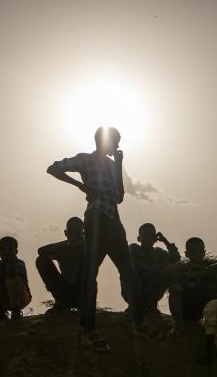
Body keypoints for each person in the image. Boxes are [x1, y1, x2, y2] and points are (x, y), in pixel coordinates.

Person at [47, 126, 158, 351]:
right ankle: (87, 330)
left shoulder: (111, 165)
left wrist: (118, 164)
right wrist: (81, 185)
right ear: (103, 140)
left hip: (113, 220)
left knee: (129, 271)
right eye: (115, 142)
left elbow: (119, 197)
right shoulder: (85, 159)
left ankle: (138, 323)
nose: (117, 146)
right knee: (90, 274)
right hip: (96, 217)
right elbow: (53, 168)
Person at [167, 237, 217, 336]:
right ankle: (178, 326)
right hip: (184, 310)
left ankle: (214, 325)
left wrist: (199, 272)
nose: (197, 255)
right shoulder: (182, 267)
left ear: (204, 253)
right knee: (175, 288)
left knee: (214, 287)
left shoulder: (209, 266)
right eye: (193, 252)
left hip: (202, 309)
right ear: (187, 254)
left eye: (200, 252)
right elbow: (166, 272)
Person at [129, 223, 180, 314]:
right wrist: (159, 269)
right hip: (134, 289)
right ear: (139, 239)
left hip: (153, 289)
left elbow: (176, 259)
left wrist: (165, 241)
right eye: (145, 235)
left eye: (151, 235)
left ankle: (152, 305)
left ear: (155, 238)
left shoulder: (159, 253)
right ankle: (134, 305)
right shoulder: (133, 249)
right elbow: (139, 267)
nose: (148, 237)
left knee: (174, 268)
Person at [36, 217, 84, 313]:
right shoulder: (63, 249)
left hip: (82, 291)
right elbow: (41, 251)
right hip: (64, 291)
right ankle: (61, 302)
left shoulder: (89, 247)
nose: (74, 235)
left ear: (83, 233)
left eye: (77, 232)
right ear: (66, 233)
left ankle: (83, 302)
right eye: (71, 232)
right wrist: (67, 244)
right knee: (41, 260)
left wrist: (80, 244)